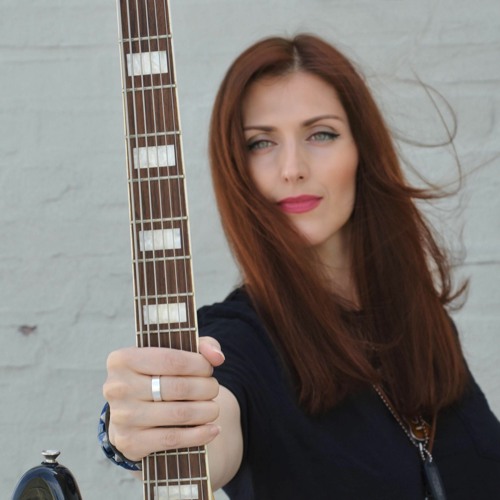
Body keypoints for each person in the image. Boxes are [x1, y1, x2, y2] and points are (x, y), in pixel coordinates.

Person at [100, 34, 500, 499]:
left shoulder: (420, 319)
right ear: (237, 169)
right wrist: (142, 429)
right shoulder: (236, 341)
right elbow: (205, 440)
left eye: (320, 134)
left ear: (362, 150)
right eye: (261, 142)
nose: (292, 167)